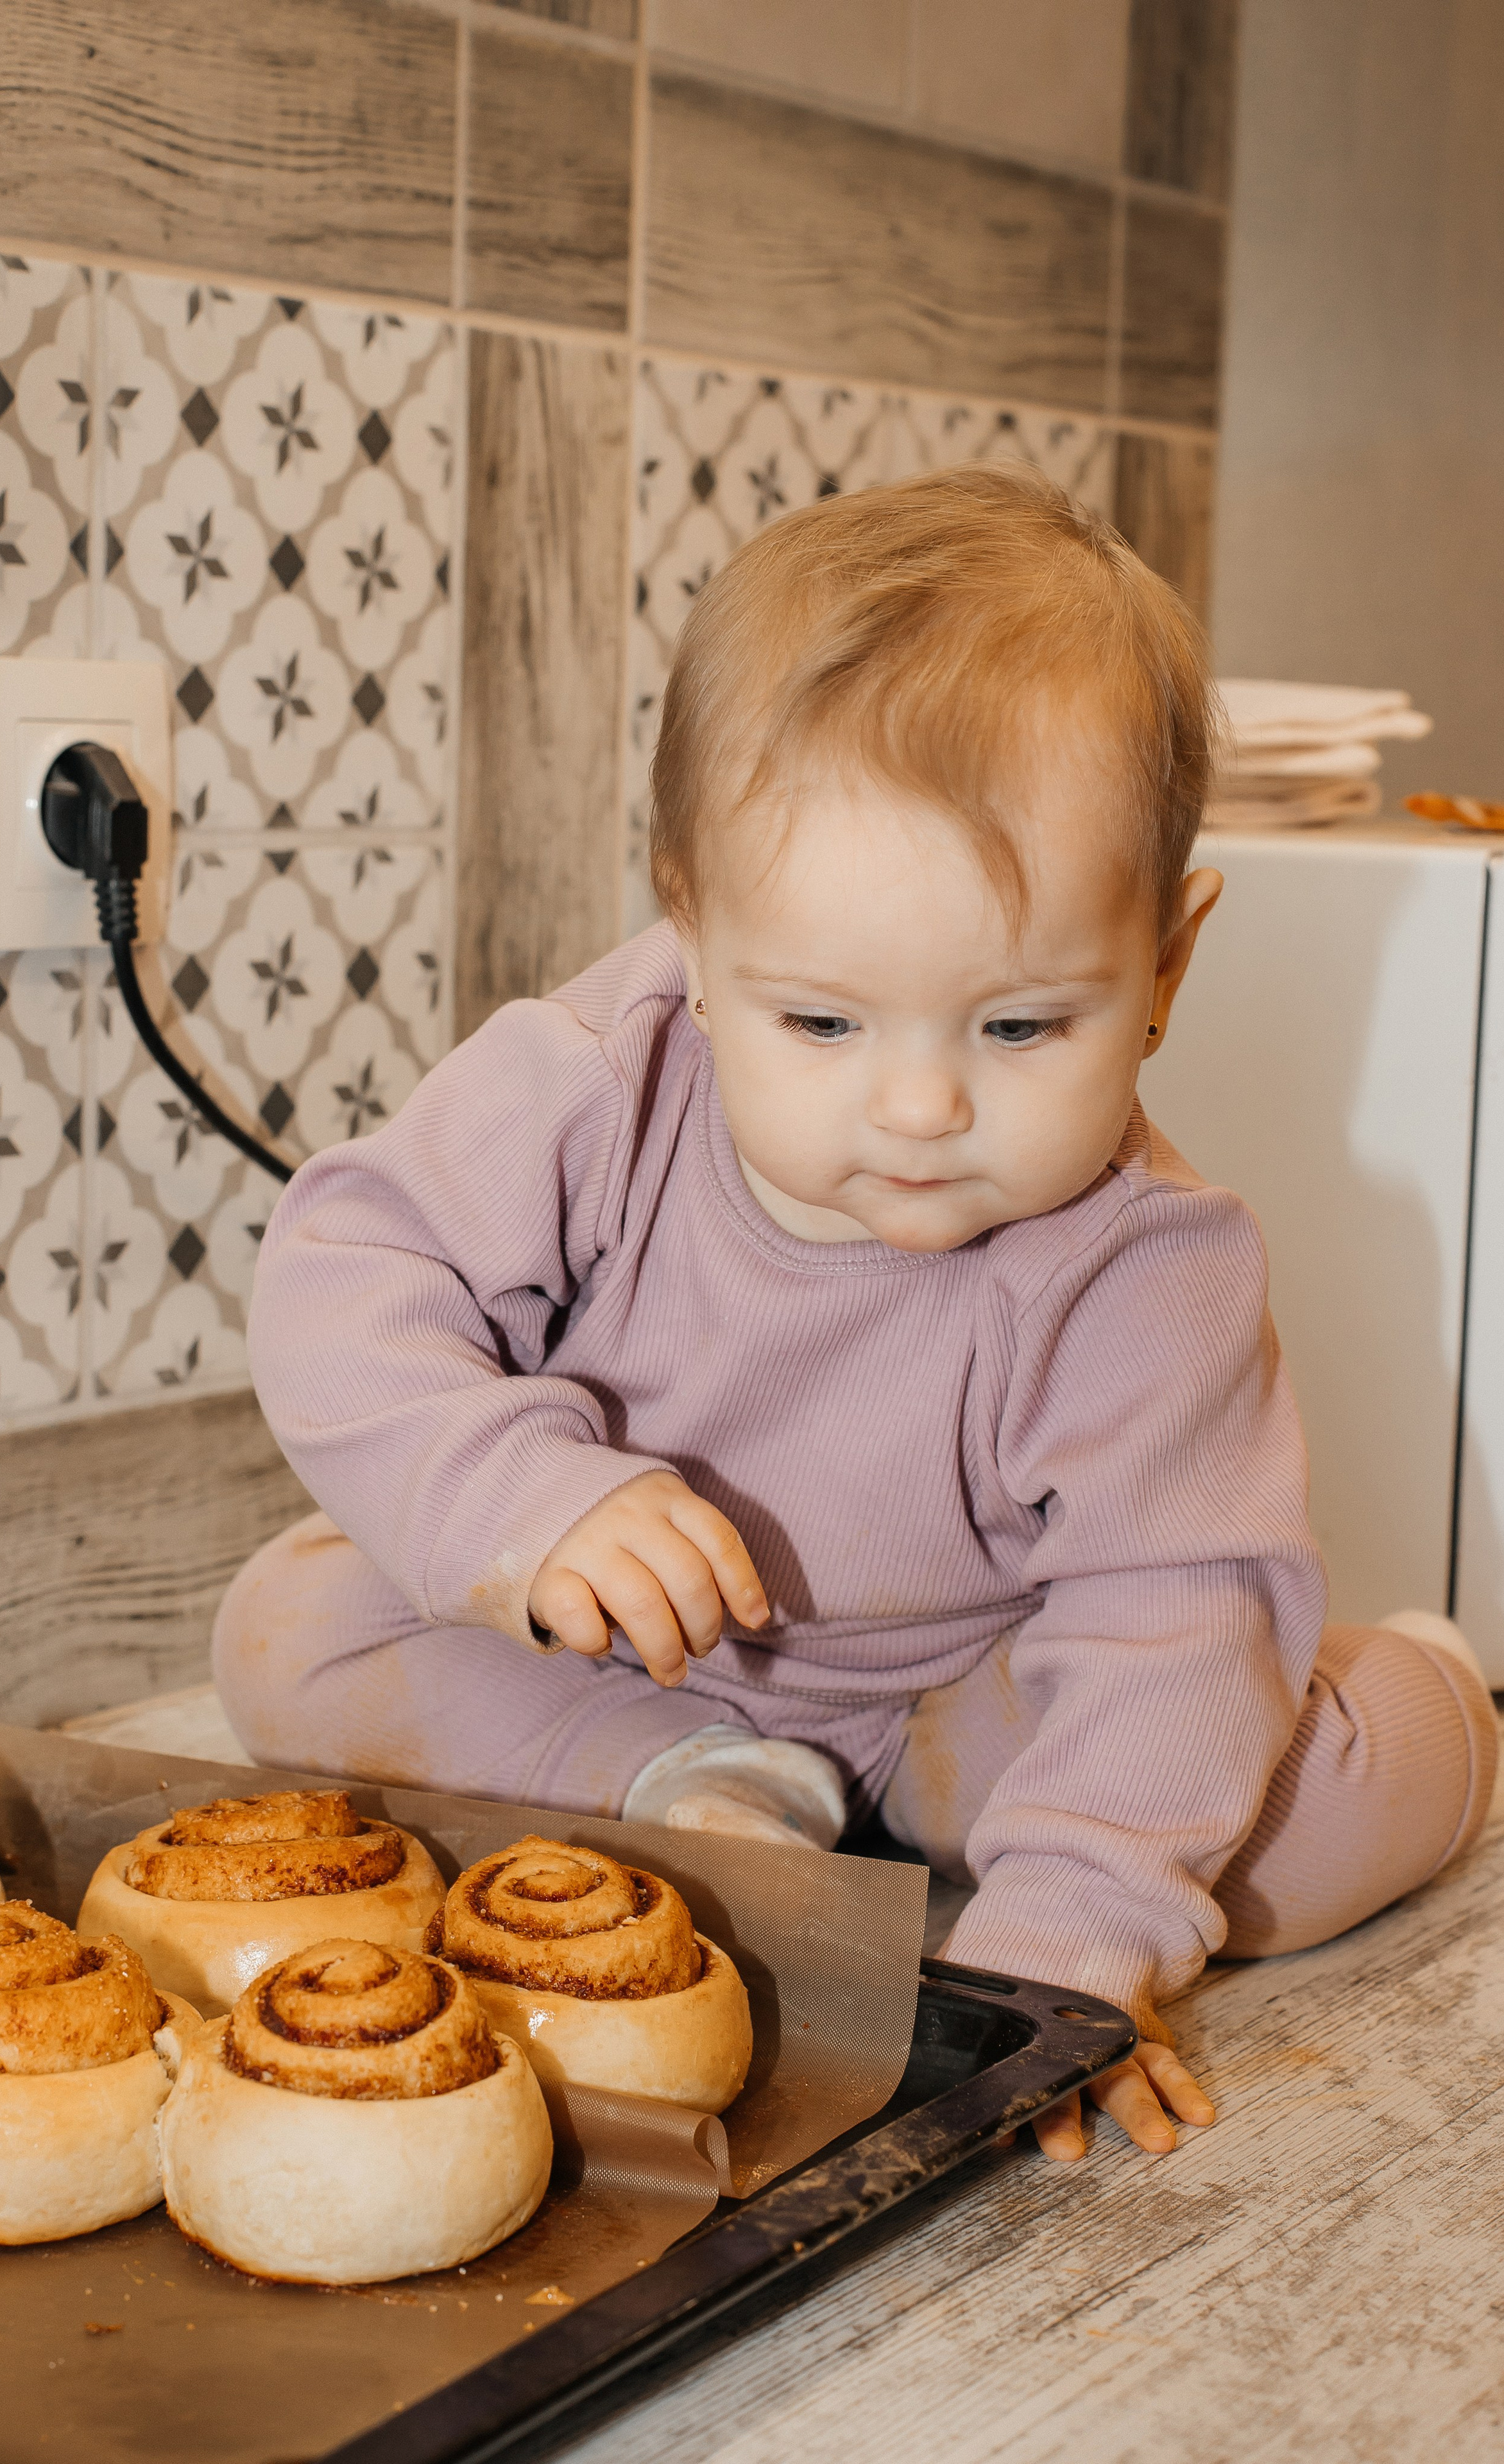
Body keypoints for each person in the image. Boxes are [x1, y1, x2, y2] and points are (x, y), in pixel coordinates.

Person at [223, 466, 1496, 2162]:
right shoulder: (604, 1077)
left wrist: (1054, 1975)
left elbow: (1169, 1619)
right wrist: (528, 1500)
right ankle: (701, 1789)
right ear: (690, 924)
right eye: (820, 1023)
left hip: (969, 1688)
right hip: (638, 1664)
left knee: (1282, 1816)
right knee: (290, 1634)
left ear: (1168, 966)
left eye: (1021, 1029)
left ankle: (1443, 1698)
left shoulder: (1145, 1270)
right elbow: (344, 1272)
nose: (916, 1109)